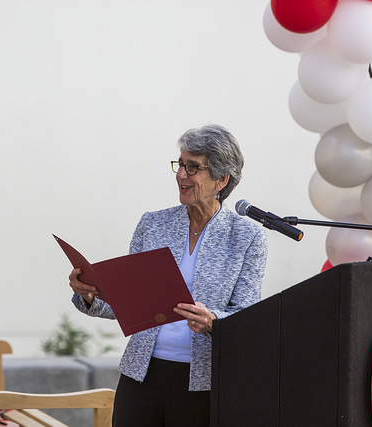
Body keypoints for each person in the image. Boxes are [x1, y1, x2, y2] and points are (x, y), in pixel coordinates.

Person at [69, 124, 268, 426]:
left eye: (194, 167)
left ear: (221, 180)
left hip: (203, 382)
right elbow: (128, 303)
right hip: (141, 375)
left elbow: (248, 316)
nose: (181, 175)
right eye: (180, 164)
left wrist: (213, 322)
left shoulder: (246, 236)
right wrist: (90, 294)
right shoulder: (153, 224)